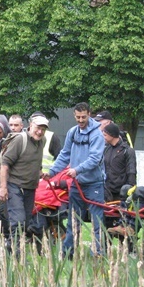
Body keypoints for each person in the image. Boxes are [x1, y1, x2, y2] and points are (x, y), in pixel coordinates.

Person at [45, 102, 106, 258]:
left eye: (83, 117)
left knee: (96, 222)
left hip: (94, 184)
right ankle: (67, 253)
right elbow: (64, 154)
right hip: (77, 183)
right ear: (74, 115)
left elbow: (95, 159)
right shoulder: (73, 132)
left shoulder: (97, 135)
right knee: (73, 221)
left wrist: (77, 169)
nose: (80, 120)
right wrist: (52, 172)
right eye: (78, 117)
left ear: (89, 114)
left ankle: (98, 254)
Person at [0, 114, 48, 254]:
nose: (40, 131)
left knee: (25, 222)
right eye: (38, 128)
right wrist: (3, 188)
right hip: (14, 186)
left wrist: (40, 173)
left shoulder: (42, 141)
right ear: (31, 125)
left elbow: (34, 162)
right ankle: (15, 253)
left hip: (30, 188)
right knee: (18, 221)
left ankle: (11, 246)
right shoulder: (20, 140)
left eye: (43, 129)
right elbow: (5, 164)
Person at [102, 123, 137, 202]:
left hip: (120, 193)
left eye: (105, 135)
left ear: (112, 135)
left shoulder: (127, 151)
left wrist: (129, 189)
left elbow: (131, 171)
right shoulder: (106, 149)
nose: (103, 137)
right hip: (107, 191)